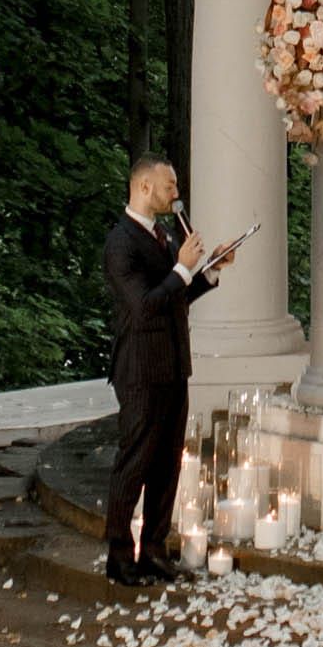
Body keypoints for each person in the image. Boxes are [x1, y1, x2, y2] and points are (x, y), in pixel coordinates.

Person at [102, 153, 241, 586]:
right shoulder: (120, 242)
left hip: (174, 366)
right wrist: (182, 267)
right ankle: (120, 556)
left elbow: (173, 297)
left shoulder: (161, 234)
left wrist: (208, 271)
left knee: (167, 465)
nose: (176, 194)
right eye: (169, 186)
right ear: (144, 187)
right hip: (141, 370)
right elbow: (144, 307)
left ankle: (155, 551)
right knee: (135, 462)